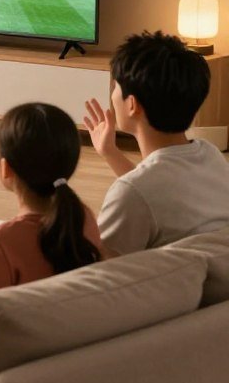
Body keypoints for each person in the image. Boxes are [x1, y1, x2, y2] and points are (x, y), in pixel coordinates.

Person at [83, 31, 229, 256]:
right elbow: (156, 189)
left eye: (116, 87)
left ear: (132, 104)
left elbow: (97, 269)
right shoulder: (211, 156)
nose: (112, 95)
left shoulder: (130, 193)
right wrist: (110, 152)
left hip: (170, 290)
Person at [0, 103, 105, 309]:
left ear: (6, 168)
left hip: (19, 334)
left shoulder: (2, 240)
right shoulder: (82, 216)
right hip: (62, 319)